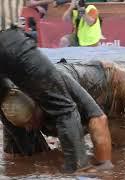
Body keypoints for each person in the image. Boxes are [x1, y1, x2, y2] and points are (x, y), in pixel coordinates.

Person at [0, 0, 112, 173]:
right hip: (6, 37)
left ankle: (28, 166)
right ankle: (78, 173)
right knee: (64, 108)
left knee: (7, 104)